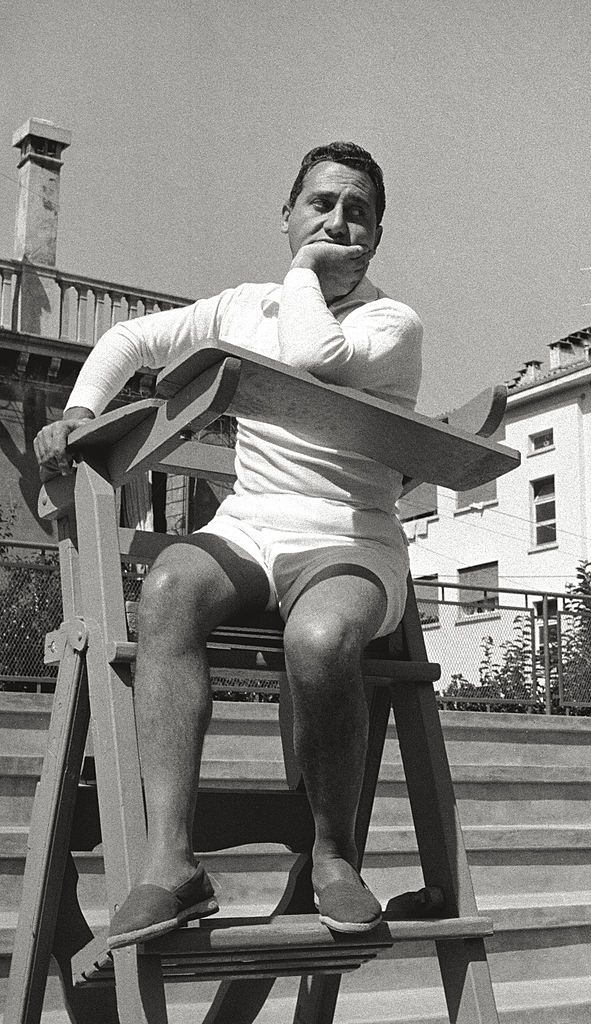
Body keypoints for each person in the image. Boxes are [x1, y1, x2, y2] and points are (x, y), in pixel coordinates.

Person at [34, 141, 423, 942]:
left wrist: (303, 275)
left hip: (348, 535)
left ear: (377, 236)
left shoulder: (392, 322)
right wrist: (80, 409)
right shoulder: (241, 304)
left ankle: (331, 856)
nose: (337, 222)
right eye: (320, 204)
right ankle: (171, 865)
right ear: (286, 215)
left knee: (320, 641)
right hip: (251, 523)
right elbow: (129, 344)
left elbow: (319, 355)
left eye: (357, 212)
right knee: (170, 588)